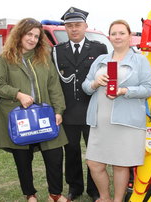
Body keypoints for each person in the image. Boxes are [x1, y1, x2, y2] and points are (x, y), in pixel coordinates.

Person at [0, 18, 69, 202]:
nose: (33, 39)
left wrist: (58, 110)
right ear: (19, 34)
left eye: (36, 36)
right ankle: (30, 195)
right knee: (23, 159)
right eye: (29, 34)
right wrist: (17, 94)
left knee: (55, 155)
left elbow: (54, 86)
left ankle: (55, 194)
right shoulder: (5, 58)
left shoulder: (44, 56)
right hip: (19, 117)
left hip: (45, 114)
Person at [82, 20, 151, 202]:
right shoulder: (100, 61)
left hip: (126, 121)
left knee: (121, 165)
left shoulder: (139, 60)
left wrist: (125, 91)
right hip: (100, 121)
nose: (117, 37)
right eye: (114, 33)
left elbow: (148, 88)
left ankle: (118, 200)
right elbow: (85, 86)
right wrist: (95, 83)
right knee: (94, 163)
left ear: (130, 36)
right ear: (109, 37)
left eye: (122, 33)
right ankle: (105, 197)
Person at [52, 7, 107, 201]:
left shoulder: (99, 48)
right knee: (72, 151)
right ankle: (74, 187)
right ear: (65, 29)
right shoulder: (57, 51)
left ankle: (94, 188)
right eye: (69, 26)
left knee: (94, 151)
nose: (74, 29)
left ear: (85, 26)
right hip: (68, 111)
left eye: (77, 25)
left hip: (93, 109)